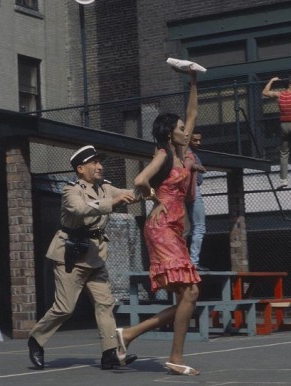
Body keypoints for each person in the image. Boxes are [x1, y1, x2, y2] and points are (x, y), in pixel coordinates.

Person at [115, 69, 202, 376]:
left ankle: (128, 335)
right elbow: (139, 179)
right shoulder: (164, 154)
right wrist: (156, 198)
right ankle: (175, 357)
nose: (185, 130)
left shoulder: (181, 151)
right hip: (161, 226)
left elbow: (191, 112)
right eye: (181, 128)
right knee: (190, 292)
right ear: (170, 133)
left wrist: (192, 81)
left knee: (187, 297)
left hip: (175, 228)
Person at [27, 145, 138, 370]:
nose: (100, 167)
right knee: (64, 308)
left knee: (105, 304)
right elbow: (80, 209)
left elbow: (130, 194)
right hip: (71, 254)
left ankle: (109, 354)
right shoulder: (71, 190)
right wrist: (113, 202)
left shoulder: (105, 188)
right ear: (80, 168)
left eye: (100, 162)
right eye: (94, 163)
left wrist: (155, 188)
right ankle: (36, 339)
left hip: (95, 255)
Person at [184, 131, 209, 271]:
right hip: (192, 191)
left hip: (191, 191)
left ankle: (191, 260)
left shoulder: (191, 153)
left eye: (200, 140)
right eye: (195, 140)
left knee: (191, 227)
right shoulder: (187, 153)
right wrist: (193, 167)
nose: (198, 143)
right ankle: (193, 261)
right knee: (199, 226)